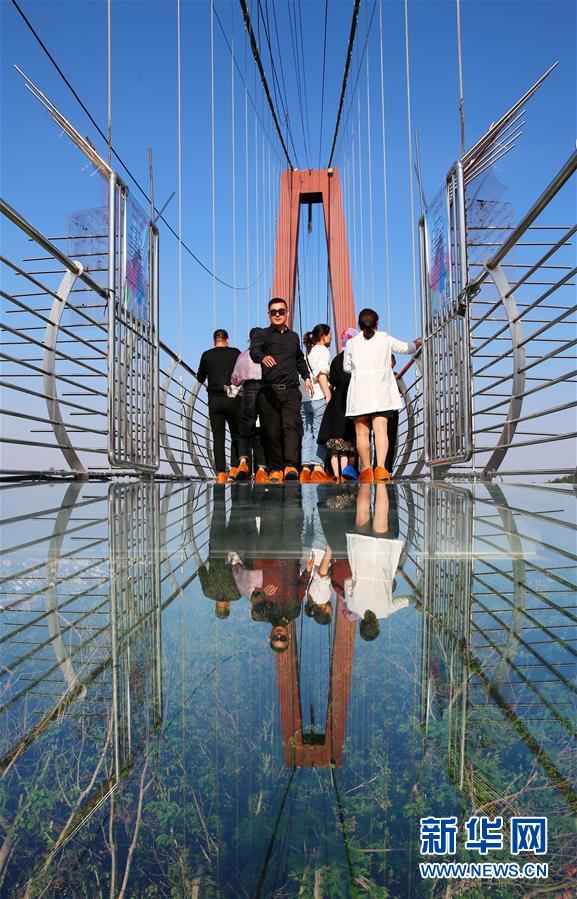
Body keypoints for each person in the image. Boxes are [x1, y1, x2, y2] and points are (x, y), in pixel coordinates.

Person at [344, 308, 421, 483]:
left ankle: (366, 470)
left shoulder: (352, 343)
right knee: (380, 431)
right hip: (381, 393)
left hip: (360, 394)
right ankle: (380, 469)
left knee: (361, 434)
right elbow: (406, 348)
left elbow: (346, 367)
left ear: (359, 325)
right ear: (377, 324)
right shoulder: (384, 338)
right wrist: (417, 342)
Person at [249, 298, 313, 482]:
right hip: (269, 391)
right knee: (272, 431)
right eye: (273, 312)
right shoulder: (262, 334)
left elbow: (299, 359)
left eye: (281, 311)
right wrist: (262, 357)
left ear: (287, 313)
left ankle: (291, 466)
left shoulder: (294, 337)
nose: (277, 314)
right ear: (268, 314)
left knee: (291, 428)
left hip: (291, 391)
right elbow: (254, 351)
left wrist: (307, 377)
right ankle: (276, 469)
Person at [344, 483, 412, 641]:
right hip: (361, 558)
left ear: (377, 626)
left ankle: (380, 479)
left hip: (381, 557)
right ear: (361, 625)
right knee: (362, 513)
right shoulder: (353, 606)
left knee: (381, 515)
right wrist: (356, 582)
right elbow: (347, 582)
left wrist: (417, 603)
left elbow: (407, 601)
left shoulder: (385, 611)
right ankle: (366, 476)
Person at [197, 329, 241, 484]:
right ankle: (234, 468)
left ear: (214, 341)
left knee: (218, 436)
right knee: (236, 433)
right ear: (227, 340)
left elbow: (200, 377)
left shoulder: (206, 355)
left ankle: (221, 473)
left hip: (215, 399)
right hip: (232, 397)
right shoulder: (235, 353)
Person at [318, 326, 359, 482]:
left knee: (335, 451)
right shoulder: (357, 357)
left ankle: (336, 475)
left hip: (336, 406)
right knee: (347, 449)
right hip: (353, 401)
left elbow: (333, 380)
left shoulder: (336, 360)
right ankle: (346, 473)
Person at [230, 328, 268, 484]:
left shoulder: (243, 355)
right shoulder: (268, 356)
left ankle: (243, 462)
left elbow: (235, 379)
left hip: (249, 390)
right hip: (266, 390)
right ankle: (262, 470)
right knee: (263, 430)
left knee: (244, 428)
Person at [299, 324, 334, 484]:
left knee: (307, 434)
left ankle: (305, 470)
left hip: (304, 398)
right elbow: (321, 374)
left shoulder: (308, 352)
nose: (331, 337)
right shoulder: (323, 351)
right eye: (330, 335)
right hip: (318, 396)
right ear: (324, 337)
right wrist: (328, 394)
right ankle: (318, 469)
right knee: (320, 433)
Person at [385, 354, 399, 474]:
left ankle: (387, 468)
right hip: (383, 408)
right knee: (383, 438)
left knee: (391, 438)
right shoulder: (394, 376)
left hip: (393, 409)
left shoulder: (396, 376)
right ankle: (380, 467)